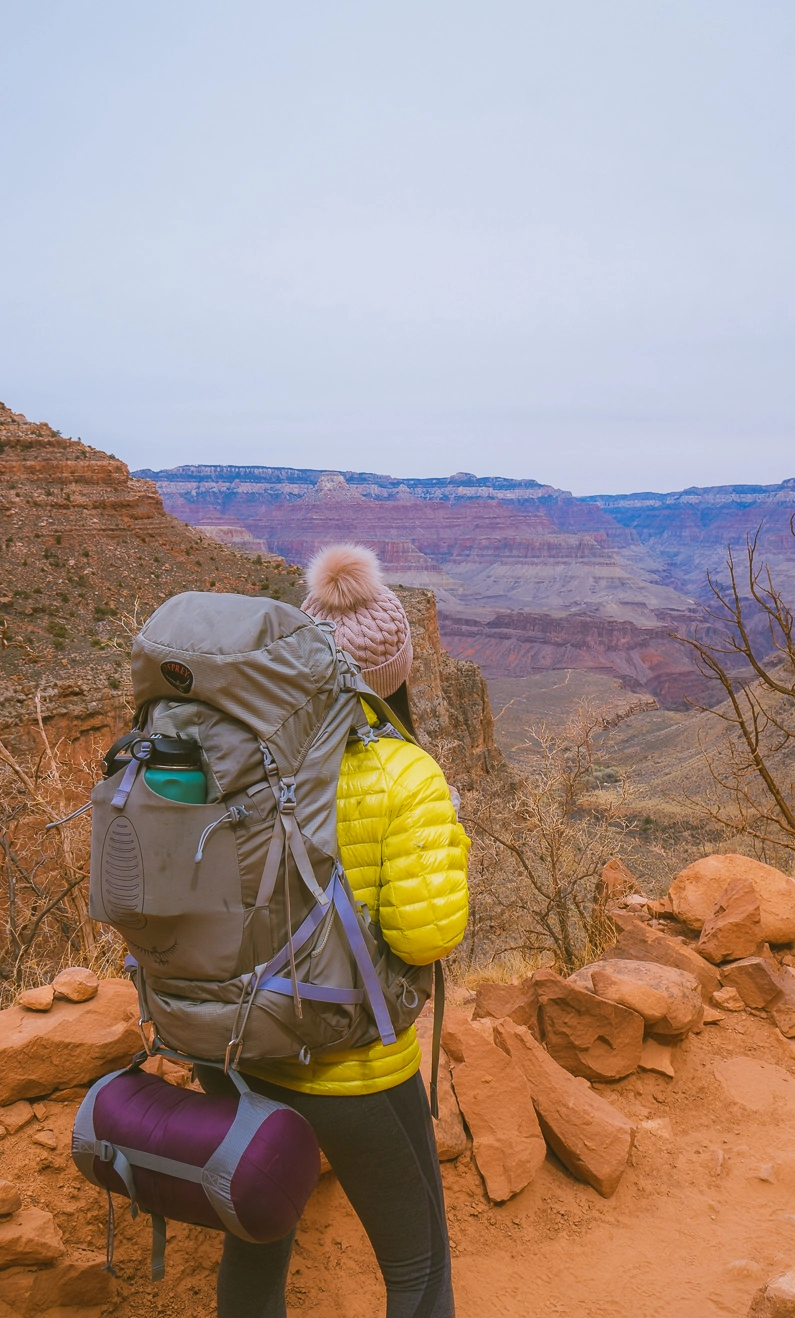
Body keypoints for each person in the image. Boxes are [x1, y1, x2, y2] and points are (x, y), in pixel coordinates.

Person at [200, 544, 470, 1318]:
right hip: (349, 1062)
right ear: (396, 674)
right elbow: (426, 938)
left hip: (238, 1049)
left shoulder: (242, 757)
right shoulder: (403, 772)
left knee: (257, 1236)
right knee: (418, 1266)